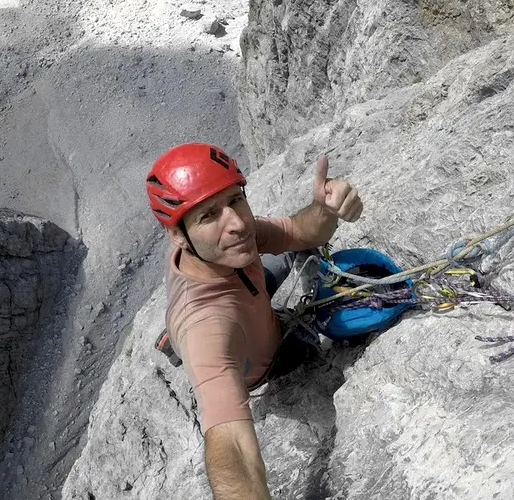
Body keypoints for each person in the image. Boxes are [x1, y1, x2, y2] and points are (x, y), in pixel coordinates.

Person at [145, 142, 363, 499]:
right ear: (177, 236)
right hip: (268, 359)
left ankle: (175, 339)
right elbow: (231, 446)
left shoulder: (229, 242)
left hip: (249, 292)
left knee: (295, 252)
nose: (236, 223)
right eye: (208, 215)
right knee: (324, 329)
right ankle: (184, 341)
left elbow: (302, 231)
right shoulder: (207, 327)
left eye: (234, 200)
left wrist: (327, 210)